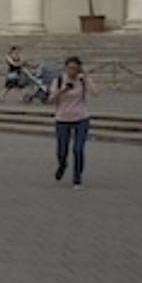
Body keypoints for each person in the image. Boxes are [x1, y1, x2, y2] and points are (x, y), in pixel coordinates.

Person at [50, 55, 95, 187]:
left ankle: (77, 176)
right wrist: (63, 89)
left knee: (78, 149)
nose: (72, 72)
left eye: (75, 69)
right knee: (62, 150)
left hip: (81, 118)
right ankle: (62, 164)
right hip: (62, 118)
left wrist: (87, 77)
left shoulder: (82, 81)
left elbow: (96, 93)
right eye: (70, 68)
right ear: (65, 68)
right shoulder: (58, 80)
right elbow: (50, 99)